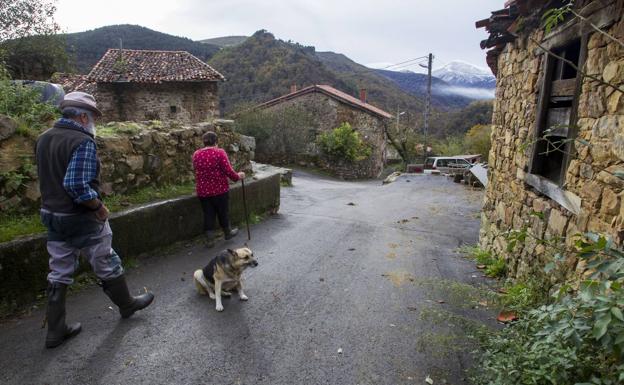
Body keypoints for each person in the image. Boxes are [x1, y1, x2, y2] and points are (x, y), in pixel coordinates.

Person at [35, 91, 154, 349]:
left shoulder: (43, 139)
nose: (94, 123)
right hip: (80, 217)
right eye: (93, 117)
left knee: (59, 269)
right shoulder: (82, 141)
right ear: (81, 116)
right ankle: (127, 304)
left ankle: (55, 331)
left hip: (52, 215)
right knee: (104, 257)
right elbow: (76, 185)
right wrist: (98, 206)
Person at [193, 131, 245, 247]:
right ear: (216, 142)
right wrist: (238, 176)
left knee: (208, 214)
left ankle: (209, 240)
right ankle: (227, 233)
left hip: (203, 191)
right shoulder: (220, 152)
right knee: (223, 212)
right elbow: (228, 171)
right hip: (219, 190)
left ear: (204, 142)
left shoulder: (196, 154)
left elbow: (196, 170)